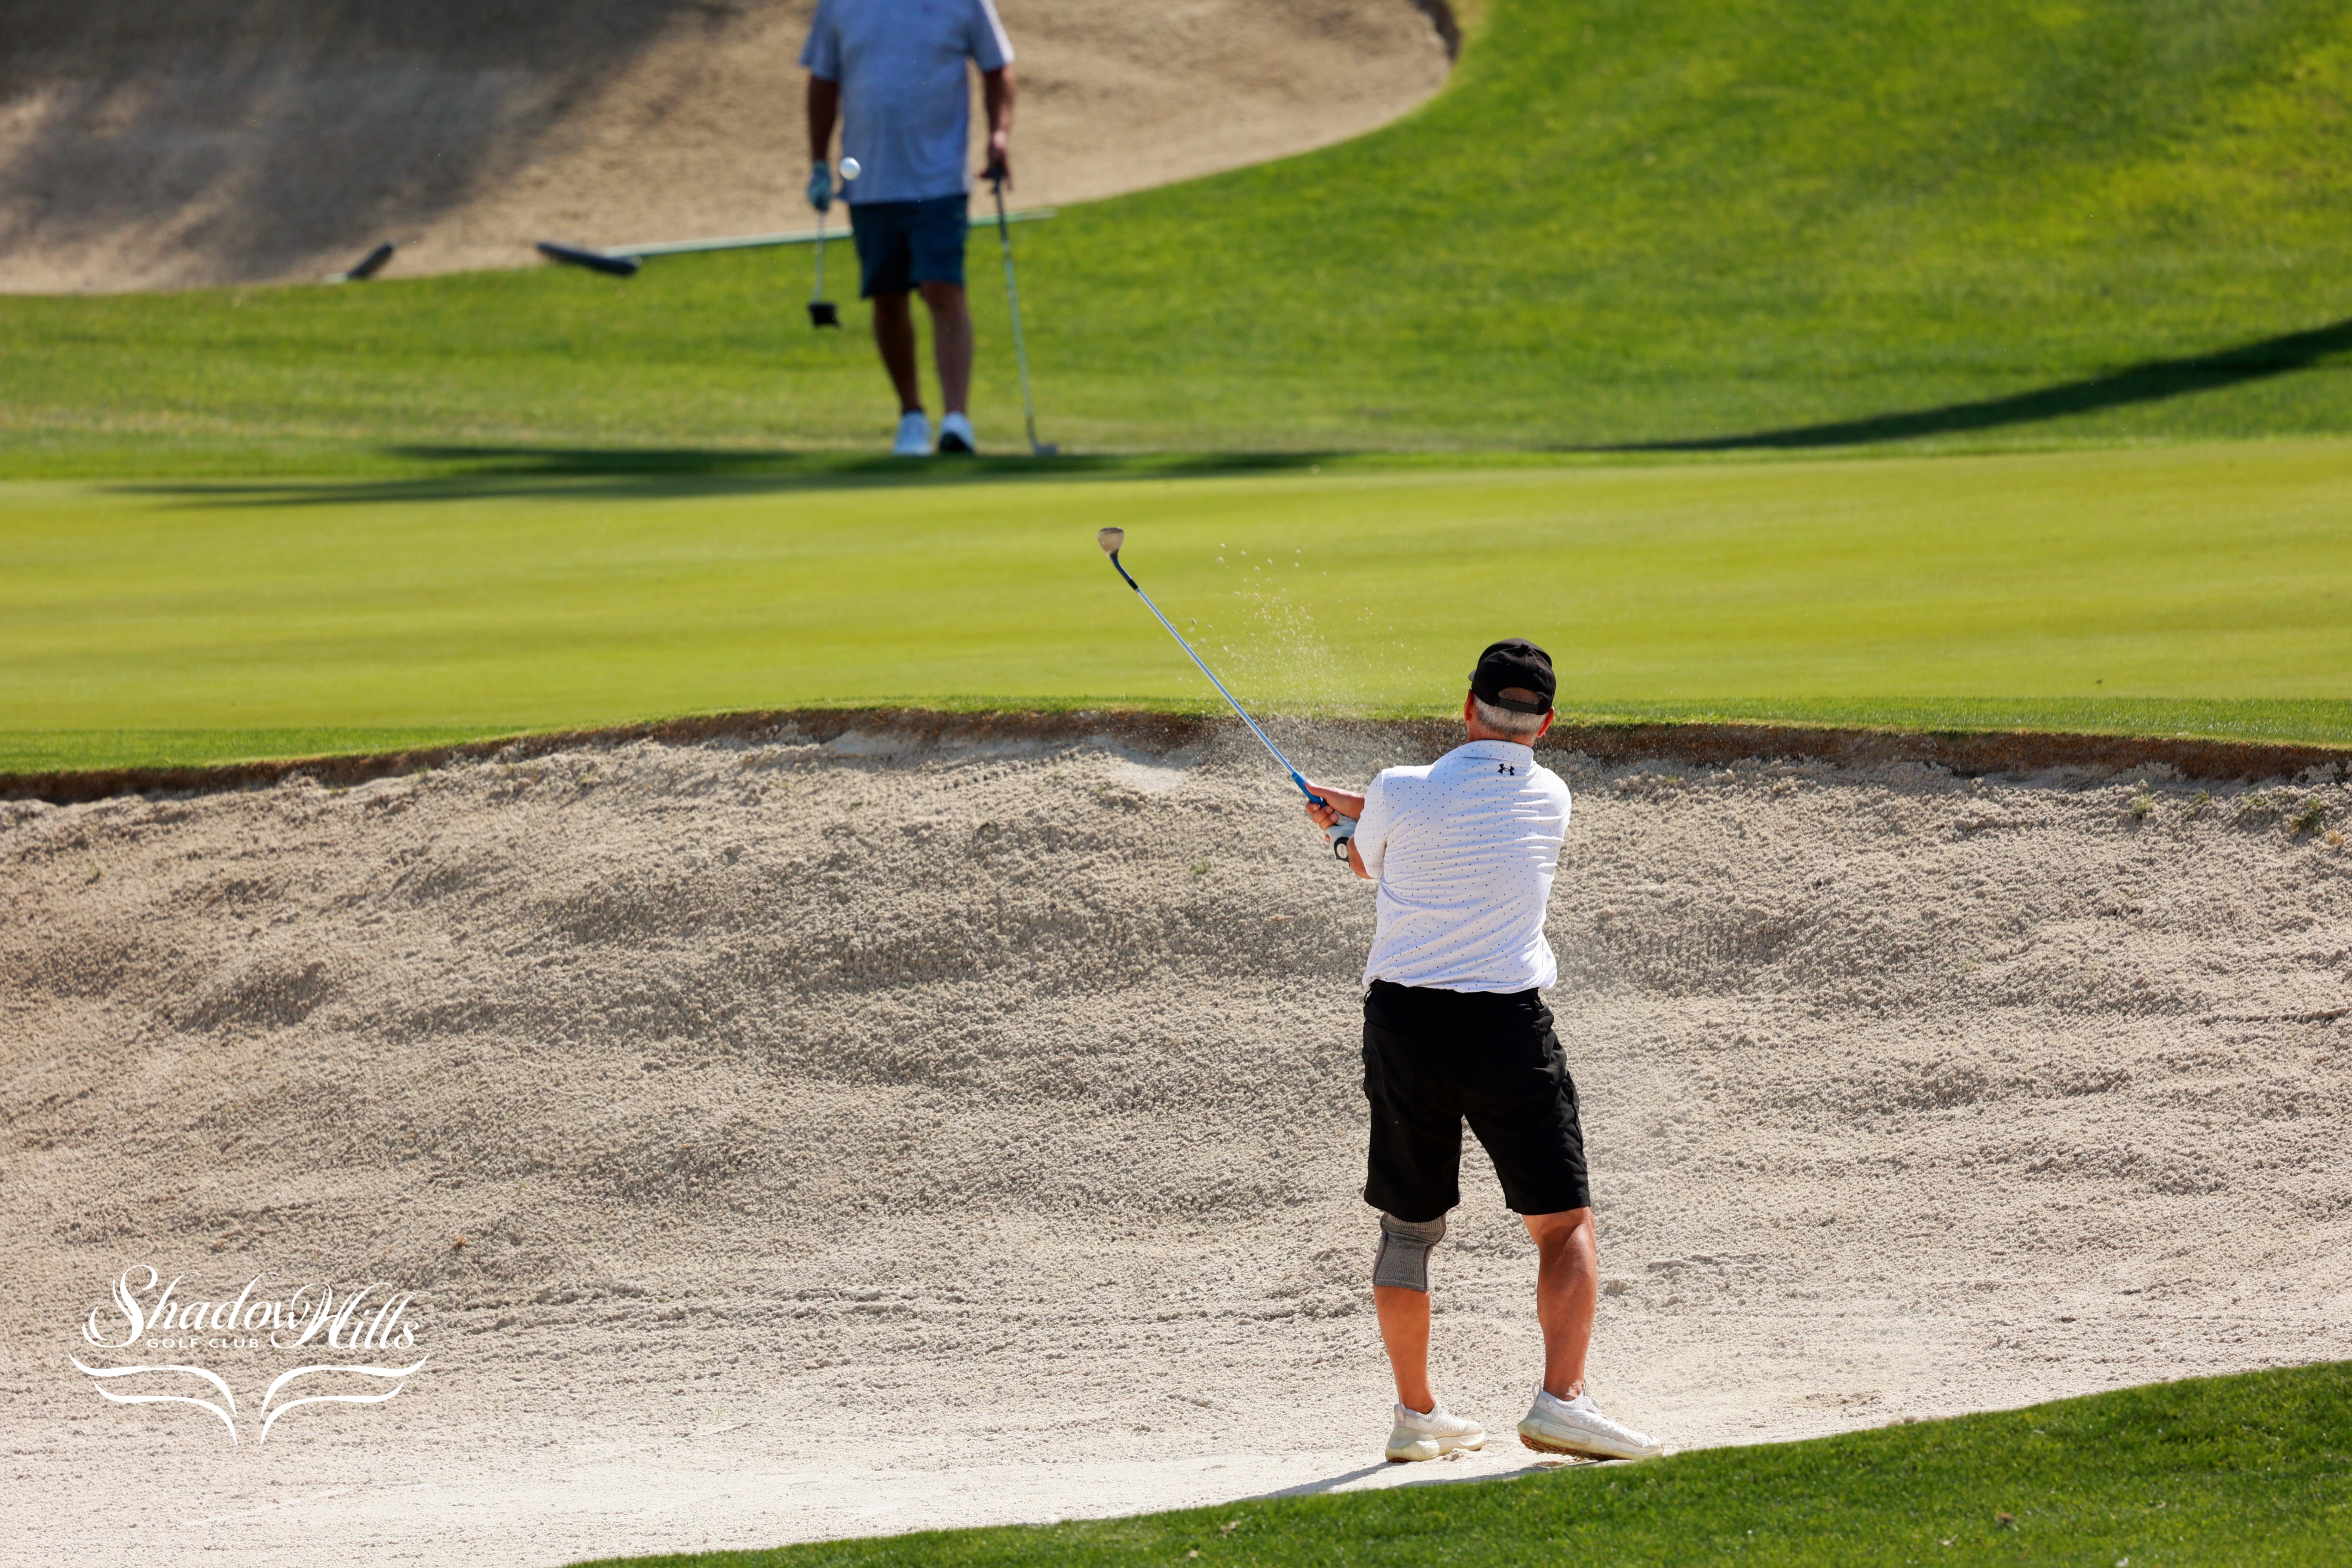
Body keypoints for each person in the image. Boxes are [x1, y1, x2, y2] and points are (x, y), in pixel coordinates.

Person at [1303, 639, 1666, 1464]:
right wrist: (1365, 814)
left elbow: (1369, 859)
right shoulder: (1553, 796)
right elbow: (1469, 809)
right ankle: (1561, 1403)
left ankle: (1415, 1413)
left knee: (1407, 1229)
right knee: (1562, 1221)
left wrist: (1345, 824)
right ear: (1545, 724)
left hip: (1404, 1027)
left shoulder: (1400, 790)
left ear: (1466, 706)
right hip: (1506, 1031)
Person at [800, 0, 1017, 456]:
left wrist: (999, 136)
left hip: (938, 177)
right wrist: (818, 163)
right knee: (888, 298)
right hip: (870, 179)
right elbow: (824, 81)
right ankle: (912, 416)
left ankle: (957, 420)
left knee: (943, 287)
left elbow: (998, 68)